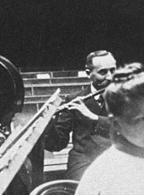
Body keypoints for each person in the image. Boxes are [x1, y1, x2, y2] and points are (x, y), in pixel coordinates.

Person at [43, 50, 117, 181]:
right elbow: (57, 145)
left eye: (113, 70)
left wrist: (94, 118)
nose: (110, 77)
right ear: (89, 73)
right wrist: (49, 122)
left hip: (117, 160)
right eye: (103, 72)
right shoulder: (74, 99)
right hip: (84, 163)